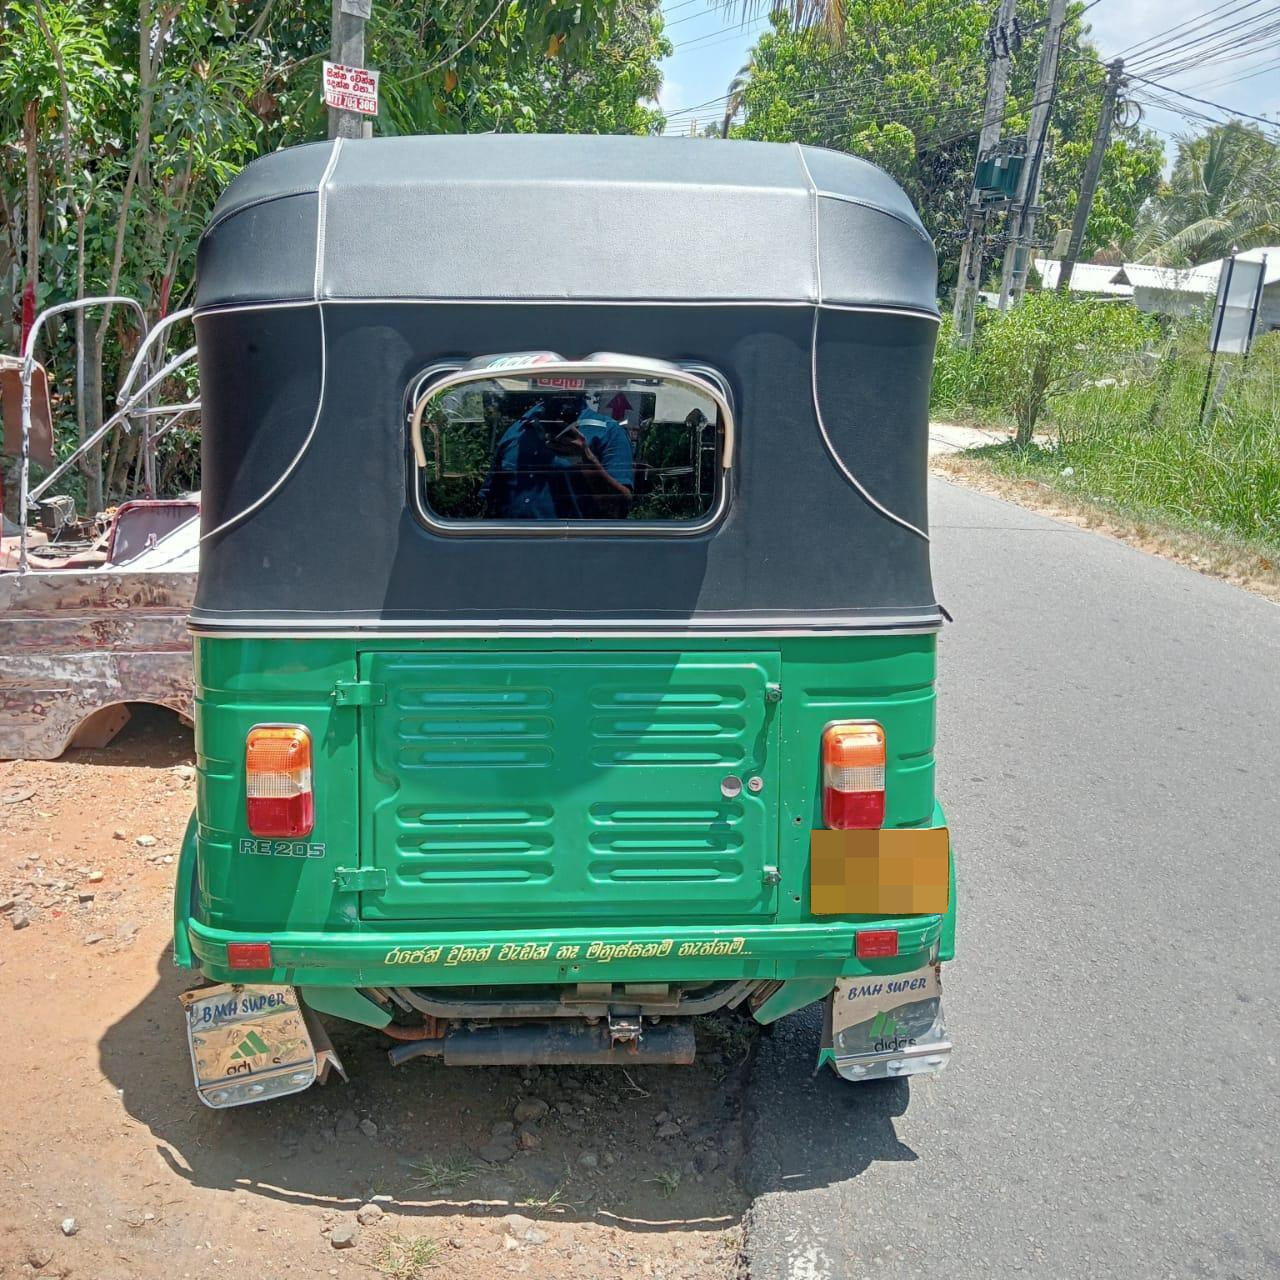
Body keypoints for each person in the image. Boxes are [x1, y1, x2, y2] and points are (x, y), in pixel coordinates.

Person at [479, 393, 634, 520]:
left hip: (574, 548)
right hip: (509, 546)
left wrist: (586, 461)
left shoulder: (607, 432)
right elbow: (490, 500)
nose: (562, 388)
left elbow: (618, 510)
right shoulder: (518, 430)